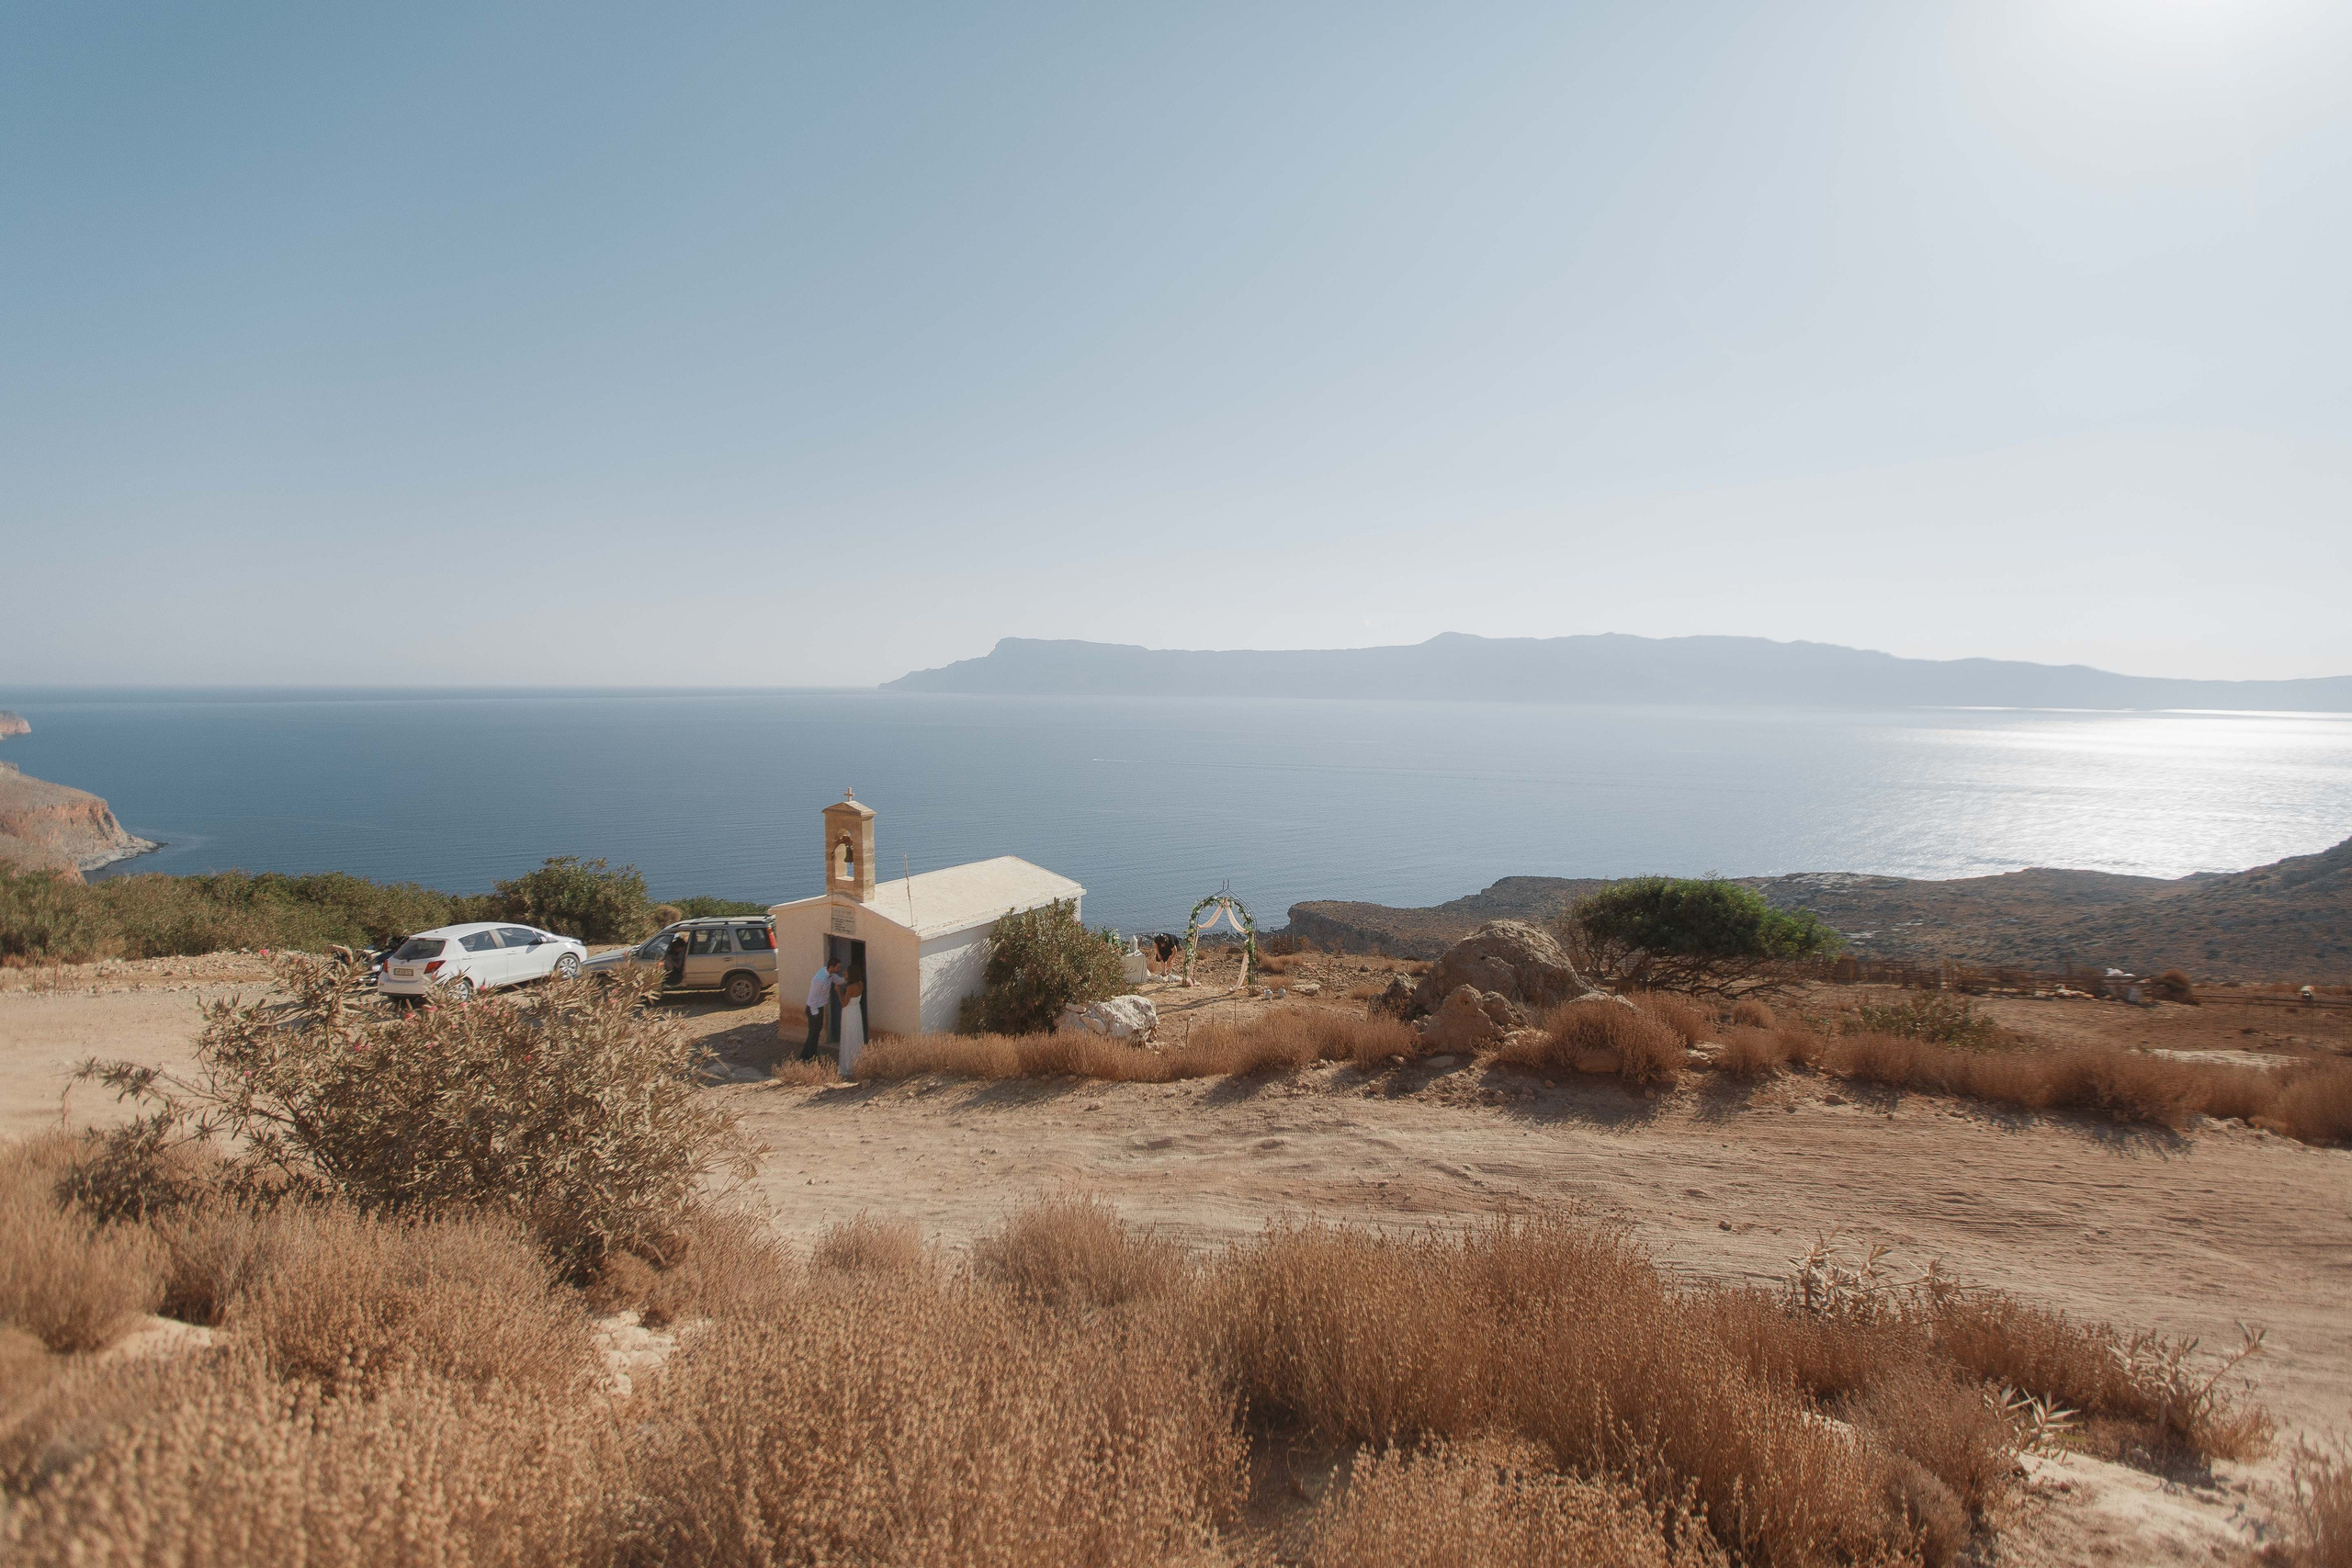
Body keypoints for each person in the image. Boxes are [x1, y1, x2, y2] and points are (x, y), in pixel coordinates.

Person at [800, 956, 844, 1061]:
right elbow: (812, 998)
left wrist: (847, 979)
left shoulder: (830, 974)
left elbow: (838, 980)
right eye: (838, 968)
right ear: (832, 967)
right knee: (813, 1033)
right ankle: (811, 1057)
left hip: (819, 1007)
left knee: (815, 1032)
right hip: (813, 1009)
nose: (839, 970)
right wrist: (815, 1013)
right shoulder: (819, 980)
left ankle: (805, 1055)